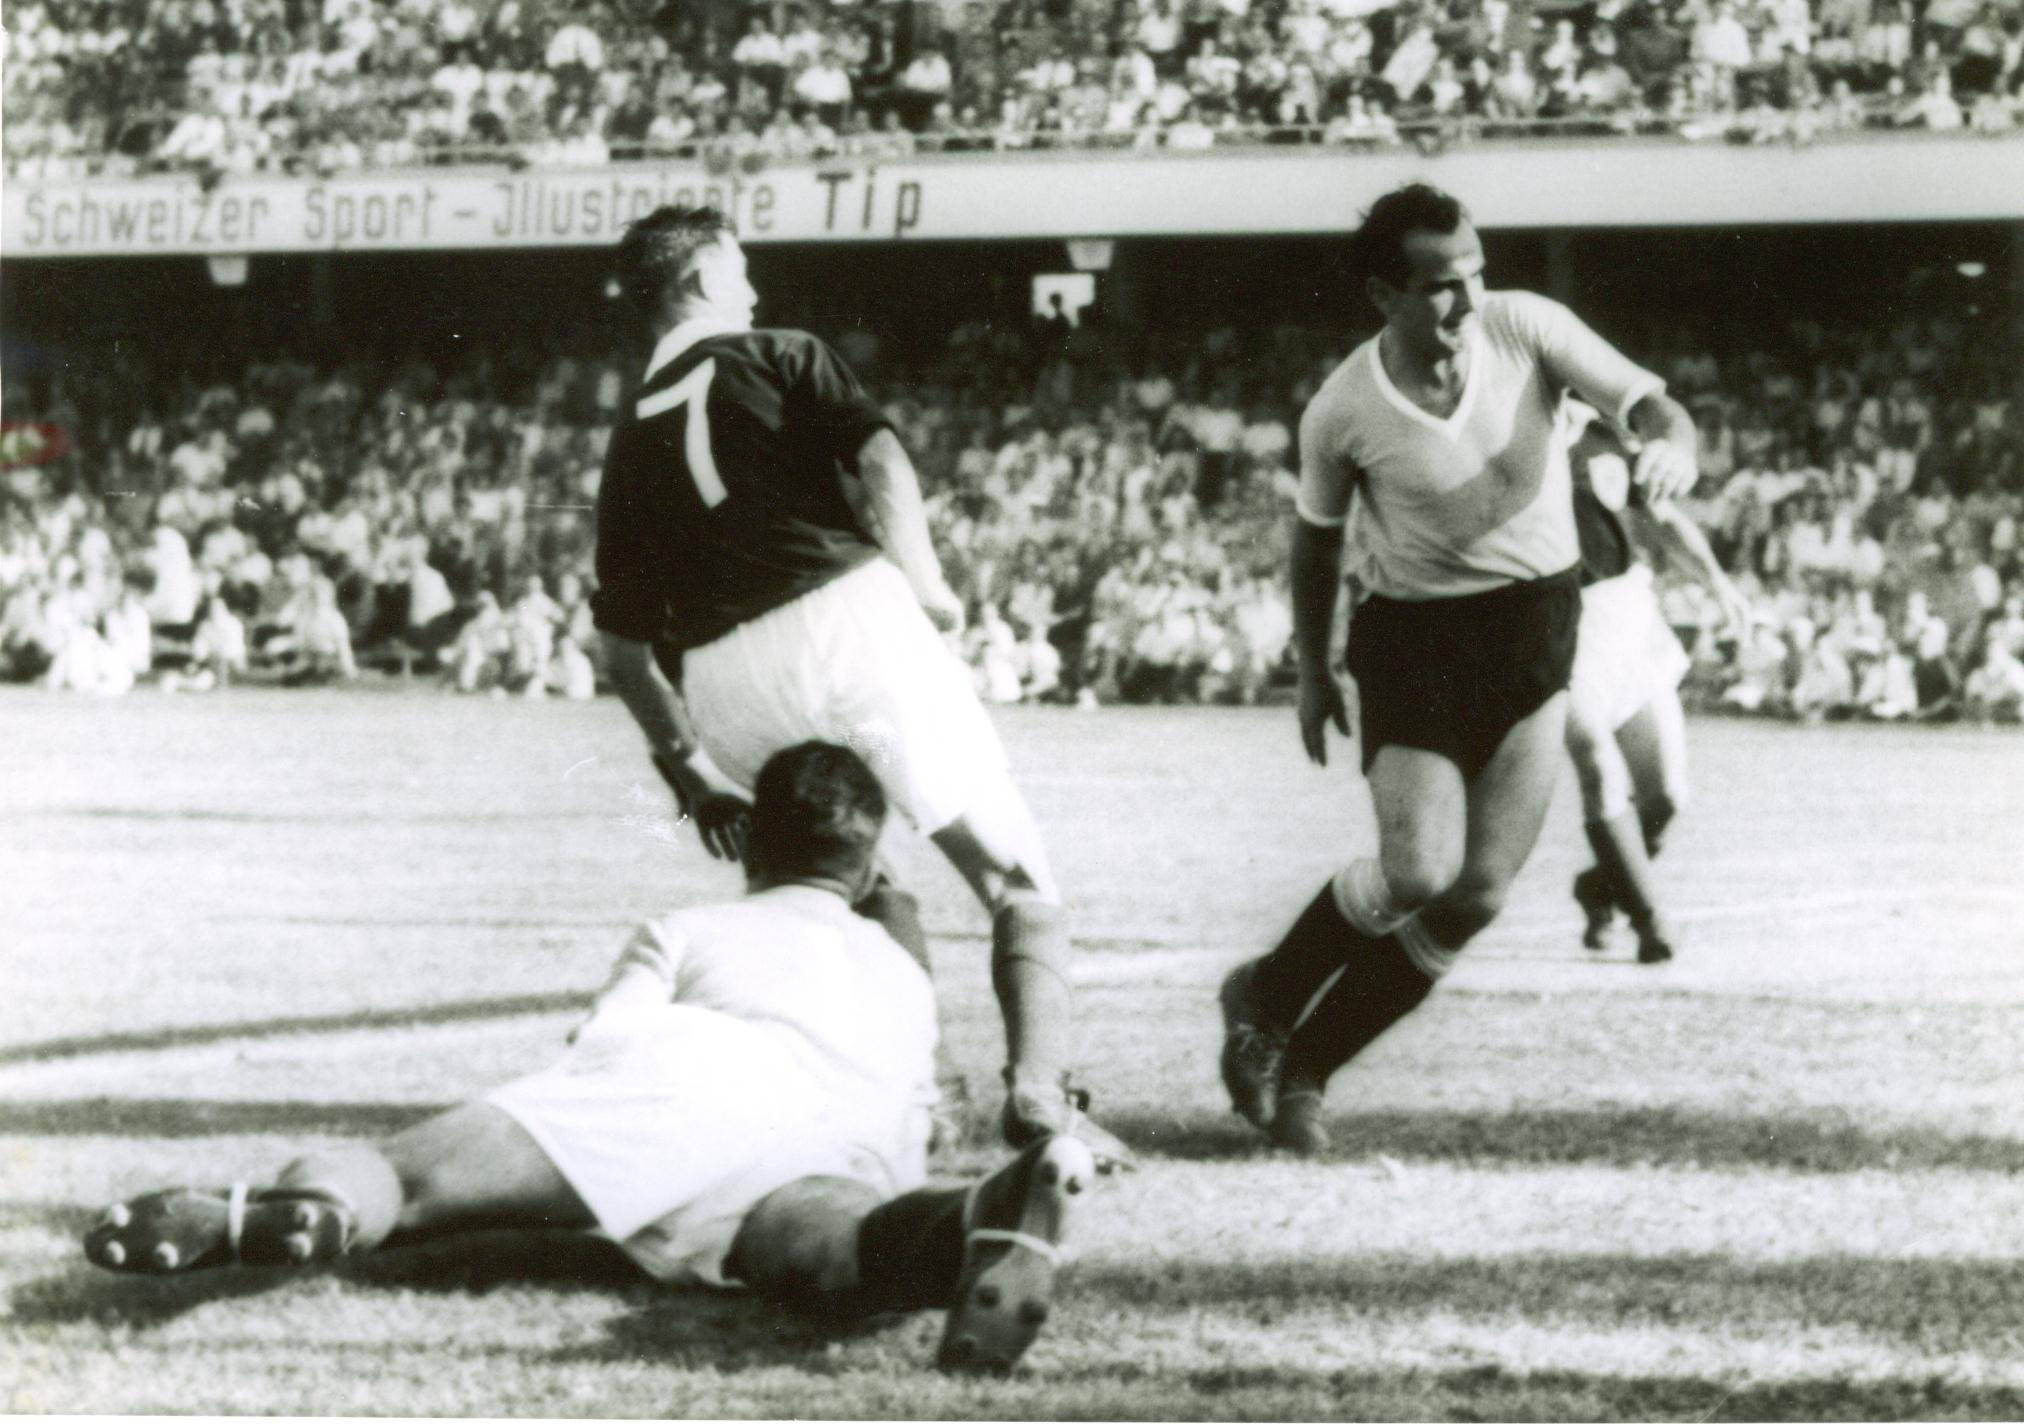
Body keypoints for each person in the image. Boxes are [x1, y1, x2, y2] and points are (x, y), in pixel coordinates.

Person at [82, 742, 1099, 1375]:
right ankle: (975, 1215)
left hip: (693, 1079)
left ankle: (307, 1207)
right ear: (868, 862)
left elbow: (604, 1042)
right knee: (838, 1251)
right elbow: (924, 1097)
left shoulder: (691, 924)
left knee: (405, 1173)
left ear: (752, 845)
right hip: (842, 1136)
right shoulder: (899, 968)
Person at [591, 206, 1129, 1167]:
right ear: (706, 280)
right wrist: (923, 582)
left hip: (723, 681)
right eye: (742, 268)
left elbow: (624, 647)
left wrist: (689, 773)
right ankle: (1043, 1096)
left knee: (859, 886)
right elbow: (879, 456)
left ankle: (922, 1099)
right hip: (843, 617)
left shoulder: (630, 434)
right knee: (1016, 875)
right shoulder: (779, 350)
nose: (753, 287)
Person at [1217, 184, 1699, 1153]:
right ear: (1381, 294)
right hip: (1416, 645)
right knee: (1415, 869)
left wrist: (1672, 442)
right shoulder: (1342, 408)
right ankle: (1263, 994)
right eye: (1440, 286)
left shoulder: (1525, 328)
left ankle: (1307, 1068)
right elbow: (1314, 548)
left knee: (1474, 892)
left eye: (1474, 272)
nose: (1467, 300)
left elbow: (1645, 398)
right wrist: (1312, 672)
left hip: (1533, 633)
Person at [1562, 405, 1750, 964]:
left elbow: (1662, 518)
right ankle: (1650, 921)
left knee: (1664, 796)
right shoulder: (1508, 436)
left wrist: (1718, 582)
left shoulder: (1602, 435)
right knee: (1597, 766)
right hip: (1551, 623)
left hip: (1623, 615)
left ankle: (1599, 886)